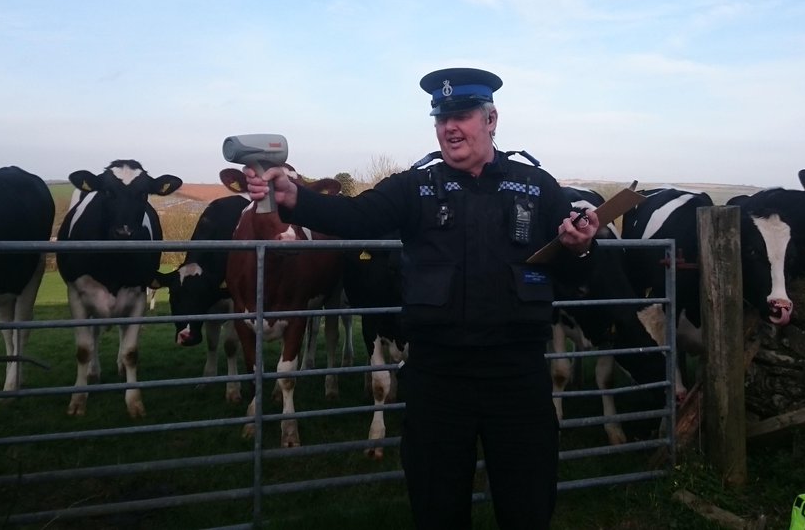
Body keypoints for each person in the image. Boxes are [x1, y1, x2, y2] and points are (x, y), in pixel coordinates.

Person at [242, 67, 598, 530]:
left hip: (518, 378)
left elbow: (575, 275)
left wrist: (581, 246)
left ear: (491, 119)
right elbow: (354, 216)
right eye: (440, 116)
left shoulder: (537, 186)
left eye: (462, 115)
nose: (449, 126)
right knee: (436, 506)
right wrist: (294, 197)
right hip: (437, 378)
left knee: (527, 504)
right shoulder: (415, 187)